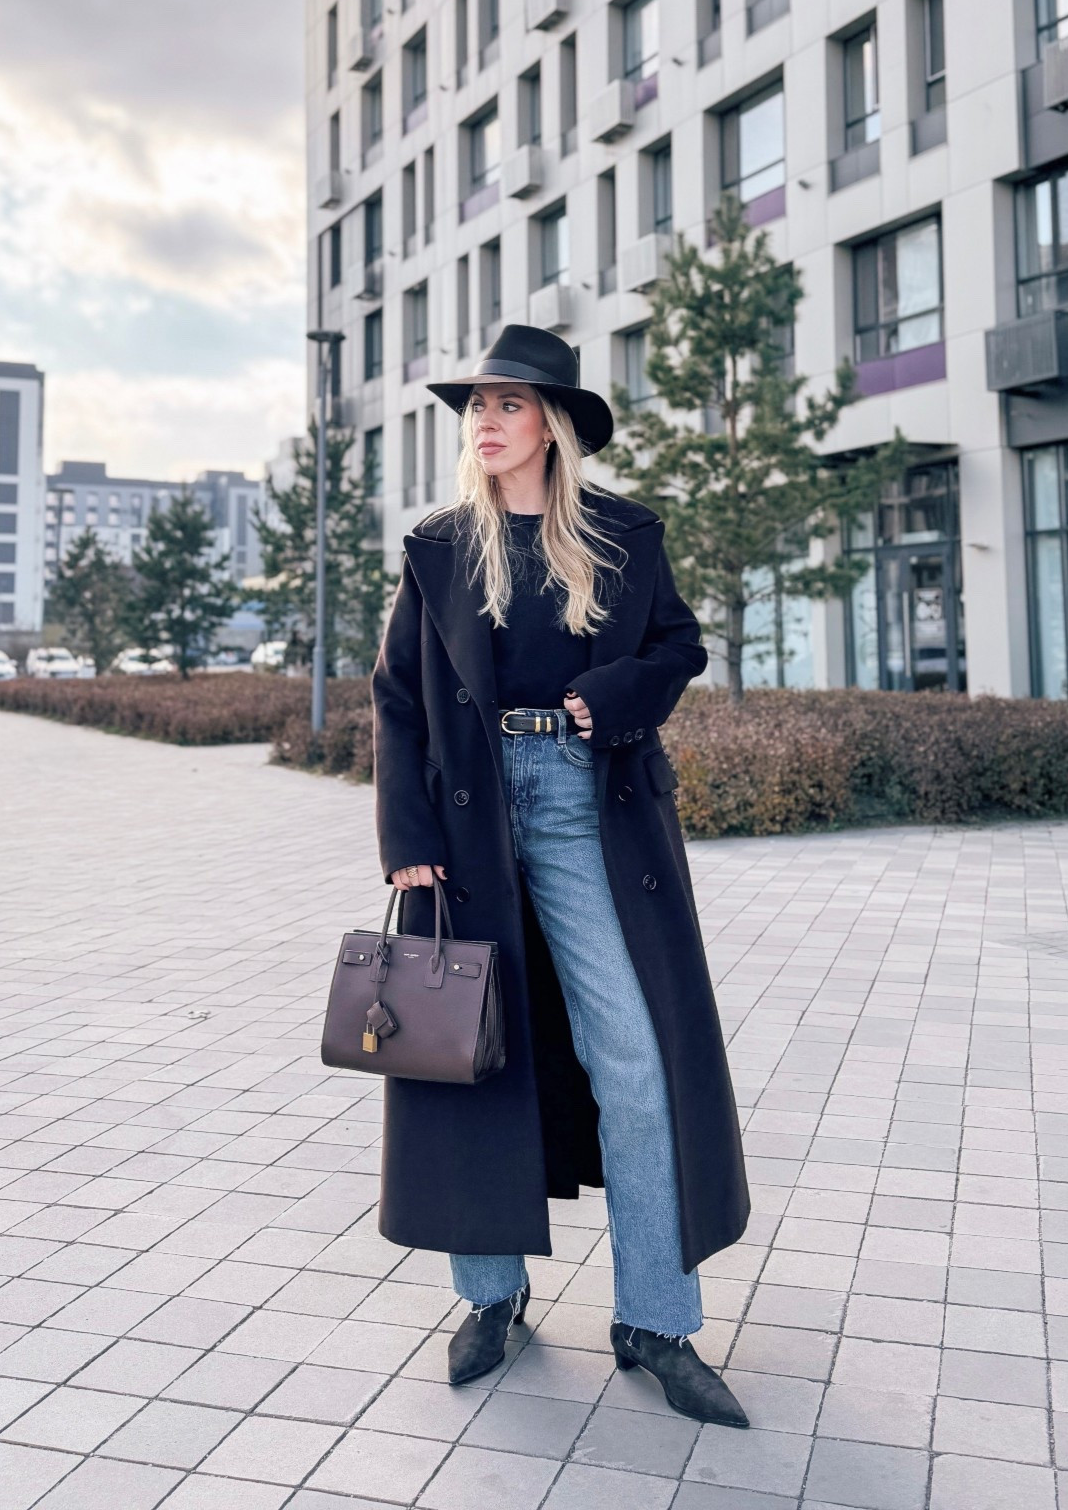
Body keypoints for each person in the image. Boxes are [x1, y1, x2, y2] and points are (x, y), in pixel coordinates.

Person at [372, 324, 751, 1427]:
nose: (483, 422)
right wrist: (403, 835)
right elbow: (399, 698)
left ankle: (656, 1318)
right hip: (470, 816)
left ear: (554, 424)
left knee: (632, 1053)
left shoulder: (624, 534)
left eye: (507, 403)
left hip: (591, 801)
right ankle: (490, 1297)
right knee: (470, 1050)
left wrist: (615, 692)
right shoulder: (441, 544)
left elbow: (681, 647)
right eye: (475, 406)